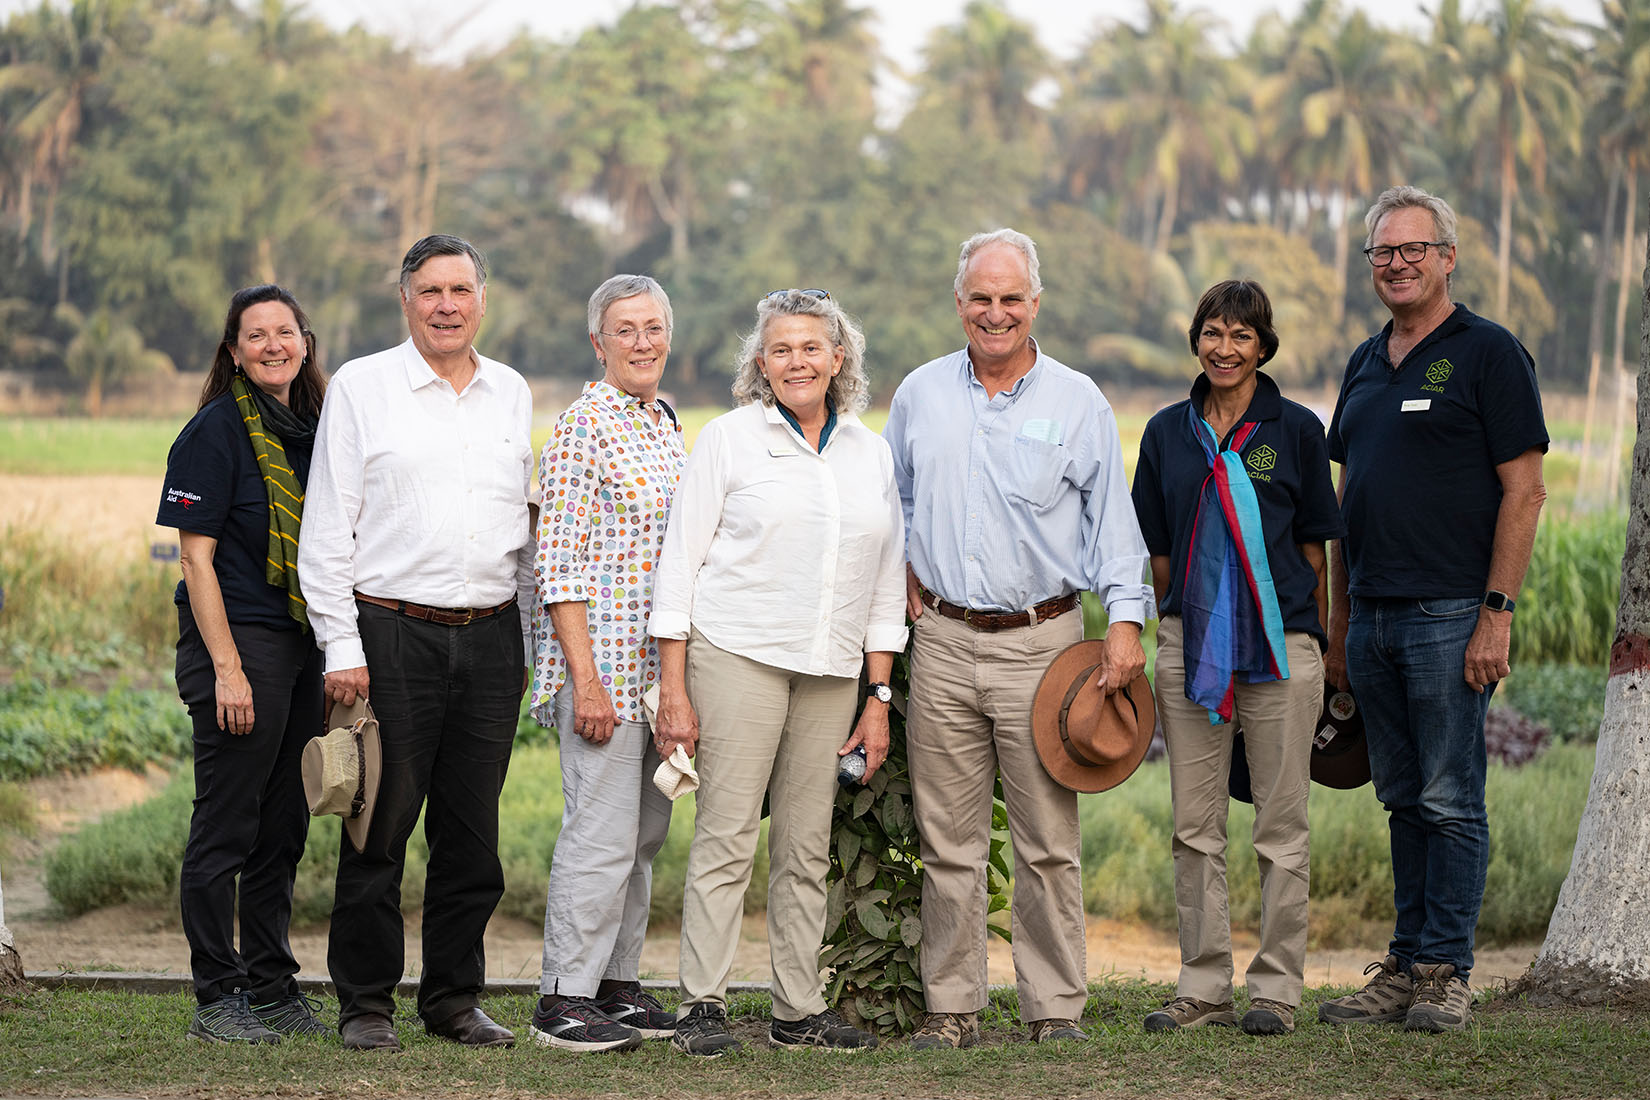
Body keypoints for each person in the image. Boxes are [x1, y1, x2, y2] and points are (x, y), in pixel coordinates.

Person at [883, 229, 1152, 1048]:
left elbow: (1114, 525)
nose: (994, 313)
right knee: (949, 843)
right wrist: (902, 585)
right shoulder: (920, 394)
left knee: (1046, 843)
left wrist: (1126, 625)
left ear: (1035, 303)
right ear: (958, 302)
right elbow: (886, 507)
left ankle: (1054, 1011)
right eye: (980, 298)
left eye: (1010, 298)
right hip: (943, 645)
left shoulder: (1077, 402)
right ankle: (952, 1009)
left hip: (1048, 646)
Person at [649, 289, 906, 1056]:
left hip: (830, 672)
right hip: (738, 657)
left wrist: (878, 696)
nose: (797, 361)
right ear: (762, 364)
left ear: (838, 358)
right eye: (781, 349)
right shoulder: (729, 439)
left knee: (804, 844)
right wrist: (674, 687)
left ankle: (797, 1010)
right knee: (726, 835)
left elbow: (886, 579)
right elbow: (679, 565)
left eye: (811, 347)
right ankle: (702, 1005)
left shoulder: (870, 451)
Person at [298, 234, 535, 1052]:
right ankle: (365, 1005)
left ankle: (453, 1001)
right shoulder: (364, 387)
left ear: (481, 299)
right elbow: (327, 529)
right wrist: (340, 646)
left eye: (460, 290)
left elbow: (520, 529)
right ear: (405, 300)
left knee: (472, 836)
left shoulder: (510, 392)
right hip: (391, 634)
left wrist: (534, 643)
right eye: (430, 291)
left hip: (494, 637)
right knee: (378, 829)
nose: (446, 305)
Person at [1319, 186, 1547, 1033]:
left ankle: (1447, 972)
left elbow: (1524, 492)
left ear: (1448, 257)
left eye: (1413, 249)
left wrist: (1498, 612)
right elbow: (1346, 499)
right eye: (1383, 252)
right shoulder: (1364, 360)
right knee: (1402, 796)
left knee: (1452, 798)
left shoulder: (1488, 353)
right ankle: (1404, 965)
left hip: (1453, 613)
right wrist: (1341, 628)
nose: (1397, 263)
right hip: (1373, 617)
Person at [1130, 280, 1344, 1037]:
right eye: (1214, 333)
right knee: (1196, 826)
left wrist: (1302, 630)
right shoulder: (1166, 434)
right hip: (1192, 646)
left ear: (1264, 347)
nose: (1226, 348)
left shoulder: (1295, 430)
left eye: (1242, 336)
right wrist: (1190, 622)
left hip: (1282, 643)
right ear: (1196, 340)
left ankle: (1278, 990)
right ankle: (1204, 987)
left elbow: (1316, 547)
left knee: (1281, 827)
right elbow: (1156, 550)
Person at [159, 285, 331, 1043]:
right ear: (233, 351)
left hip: (303, 646)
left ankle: (271, 987)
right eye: (254, 335)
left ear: (304, 343)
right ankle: (215, 997)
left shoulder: (316, 429)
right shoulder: (215, 431)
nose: (271, 345)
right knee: (226, 826)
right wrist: (227, 668)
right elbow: (195, 559)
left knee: (282, 826)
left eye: (283, 332)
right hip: (238, 641)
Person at [525, 275, 686, 1052]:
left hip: (661, 679)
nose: (643, 342)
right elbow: (557, 565)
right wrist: (585, 680)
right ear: (599, 342)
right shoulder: (582, 428)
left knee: (644, 837)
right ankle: (564, 997)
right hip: (603, 674)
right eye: (625, 330)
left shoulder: (663, 423)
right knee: (598, 836)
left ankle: (617, 986)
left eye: (653, 327)